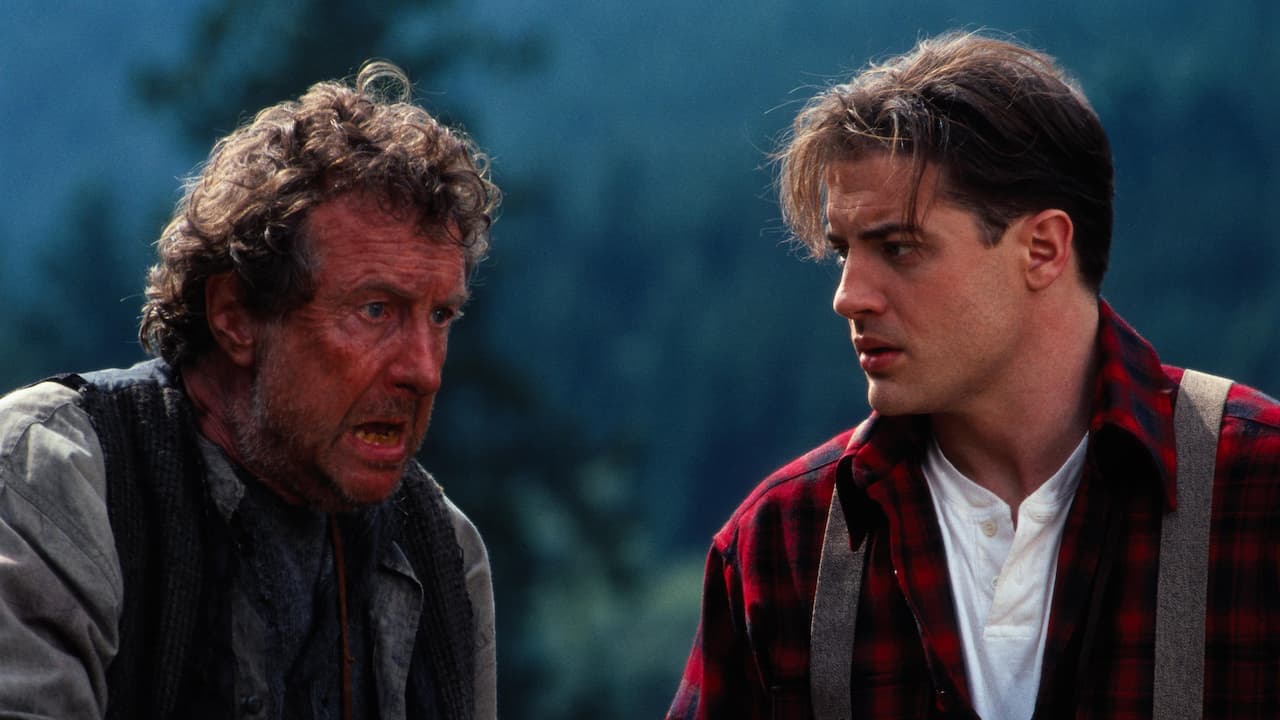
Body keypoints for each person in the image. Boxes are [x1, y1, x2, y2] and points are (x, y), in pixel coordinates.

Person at [668, 31, 1280, 720]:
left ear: (1042, 249)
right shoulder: (781, 544)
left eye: (899, 247)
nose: (848, 296)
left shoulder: (1259, 489)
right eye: (843, 252)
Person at [0, 61, 498, 719]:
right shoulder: (54, 479)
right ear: (235, 315)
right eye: (376, 310)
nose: (424, 371)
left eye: (439, 316)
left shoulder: (440, 554)